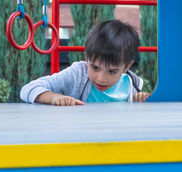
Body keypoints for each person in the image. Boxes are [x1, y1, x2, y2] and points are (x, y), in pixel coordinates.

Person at [20, 19, 151, 106]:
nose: (101, 79)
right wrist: (55, 98)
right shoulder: (78, 74)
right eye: (94, 67)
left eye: (112, 71)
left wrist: (138, 102)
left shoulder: (132, 84)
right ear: (87, 57)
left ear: (126, 67)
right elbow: (27, 89)